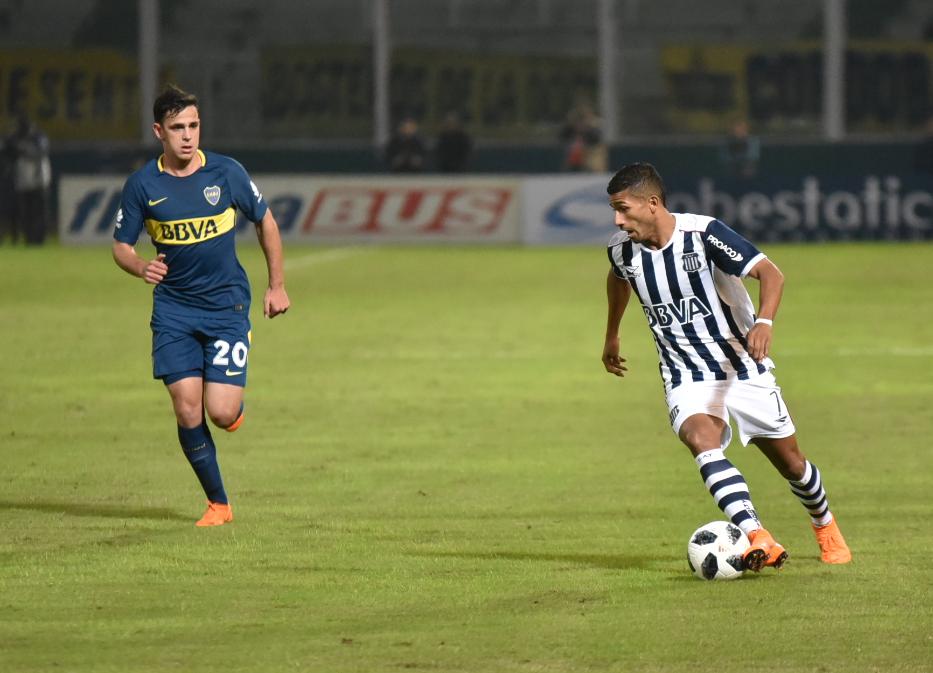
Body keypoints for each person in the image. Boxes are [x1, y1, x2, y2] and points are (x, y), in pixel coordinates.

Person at [601, 162, 850, 571]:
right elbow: (618, 278)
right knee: (701, 440)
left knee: (792, 464)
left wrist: (765, 323)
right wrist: (612, 332)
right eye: (614, 210)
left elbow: (770, 274)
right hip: (684, 374)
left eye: (623, 209)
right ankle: (756, 535)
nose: (617, 220)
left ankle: (824, 524)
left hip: (742, 366)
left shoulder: (704, 234)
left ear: (652, 203)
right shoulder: (621, 250)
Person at [112, 85, 290, 526]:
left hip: (226, 306)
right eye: (177, 128)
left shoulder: (226, 173)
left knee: (223, 412)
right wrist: (139, 267)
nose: (187, 136)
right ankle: (219, 504)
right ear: (159, 131)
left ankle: (232, 405)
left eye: (193, 126)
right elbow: (120, 246)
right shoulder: (142, 186)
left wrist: (277, 285)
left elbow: (265, 221)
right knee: (187, 407)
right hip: (173, 311)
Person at [7, 113, 52, 245]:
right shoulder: (16, 138)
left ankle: (40, 238)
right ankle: (29, 237)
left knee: (40, 211)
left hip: (40, 179)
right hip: (24, 180)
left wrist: (23, 149)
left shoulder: (38, 137)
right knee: (26, 212)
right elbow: (9, 151)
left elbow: (41, 152)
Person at [560, 102, 607, 173]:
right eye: (577, 122)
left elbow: (597, 143)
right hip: (572, 164)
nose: (579, 125)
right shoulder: (569, 132)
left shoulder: (592, 133)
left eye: (582, 122)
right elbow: (562, 138)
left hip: (589, 165)